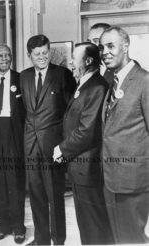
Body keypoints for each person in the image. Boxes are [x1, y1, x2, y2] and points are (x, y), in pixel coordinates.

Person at [53, 42, 114, 244]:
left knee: (94, 225)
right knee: (87, 224)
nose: (71, 61)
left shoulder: (96, 87)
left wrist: (62, 149)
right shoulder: (85, 84)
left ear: (88, 61)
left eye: (74, 58)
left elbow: (87, 131)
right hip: (80, 167)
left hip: (88, 168)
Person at [20, 34, 76, 246]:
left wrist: (64, 145)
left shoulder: (62, 74)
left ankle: (58, 240)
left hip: (53, 147)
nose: (42, 57)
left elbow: (71, 112)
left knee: (55, 197)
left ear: (49, 51)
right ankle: (41, 239)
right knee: (35, 197)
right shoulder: (24, 76)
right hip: (31, 147)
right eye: (37, 54)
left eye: (45, 52)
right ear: (29, 55)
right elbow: (24, 112)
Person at [99, 26, 149, 244]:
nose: (104, 52)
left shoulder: (145, 81)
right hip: (110, 180)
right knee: (119, 239)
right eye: (101, 47)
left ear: (126, 46)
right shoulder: (112, 81)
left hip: (133, 182)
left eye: (111, 46)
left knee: (132, 240)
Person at [0, 44, 26, 244]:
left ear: (11, 57)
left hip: (13, 133)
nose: (4, 58)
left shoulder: (20, 79)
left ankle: (18, 227)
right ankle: (4, 226)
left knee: (14, 183)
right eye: (0, 56)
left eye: (7, 55)